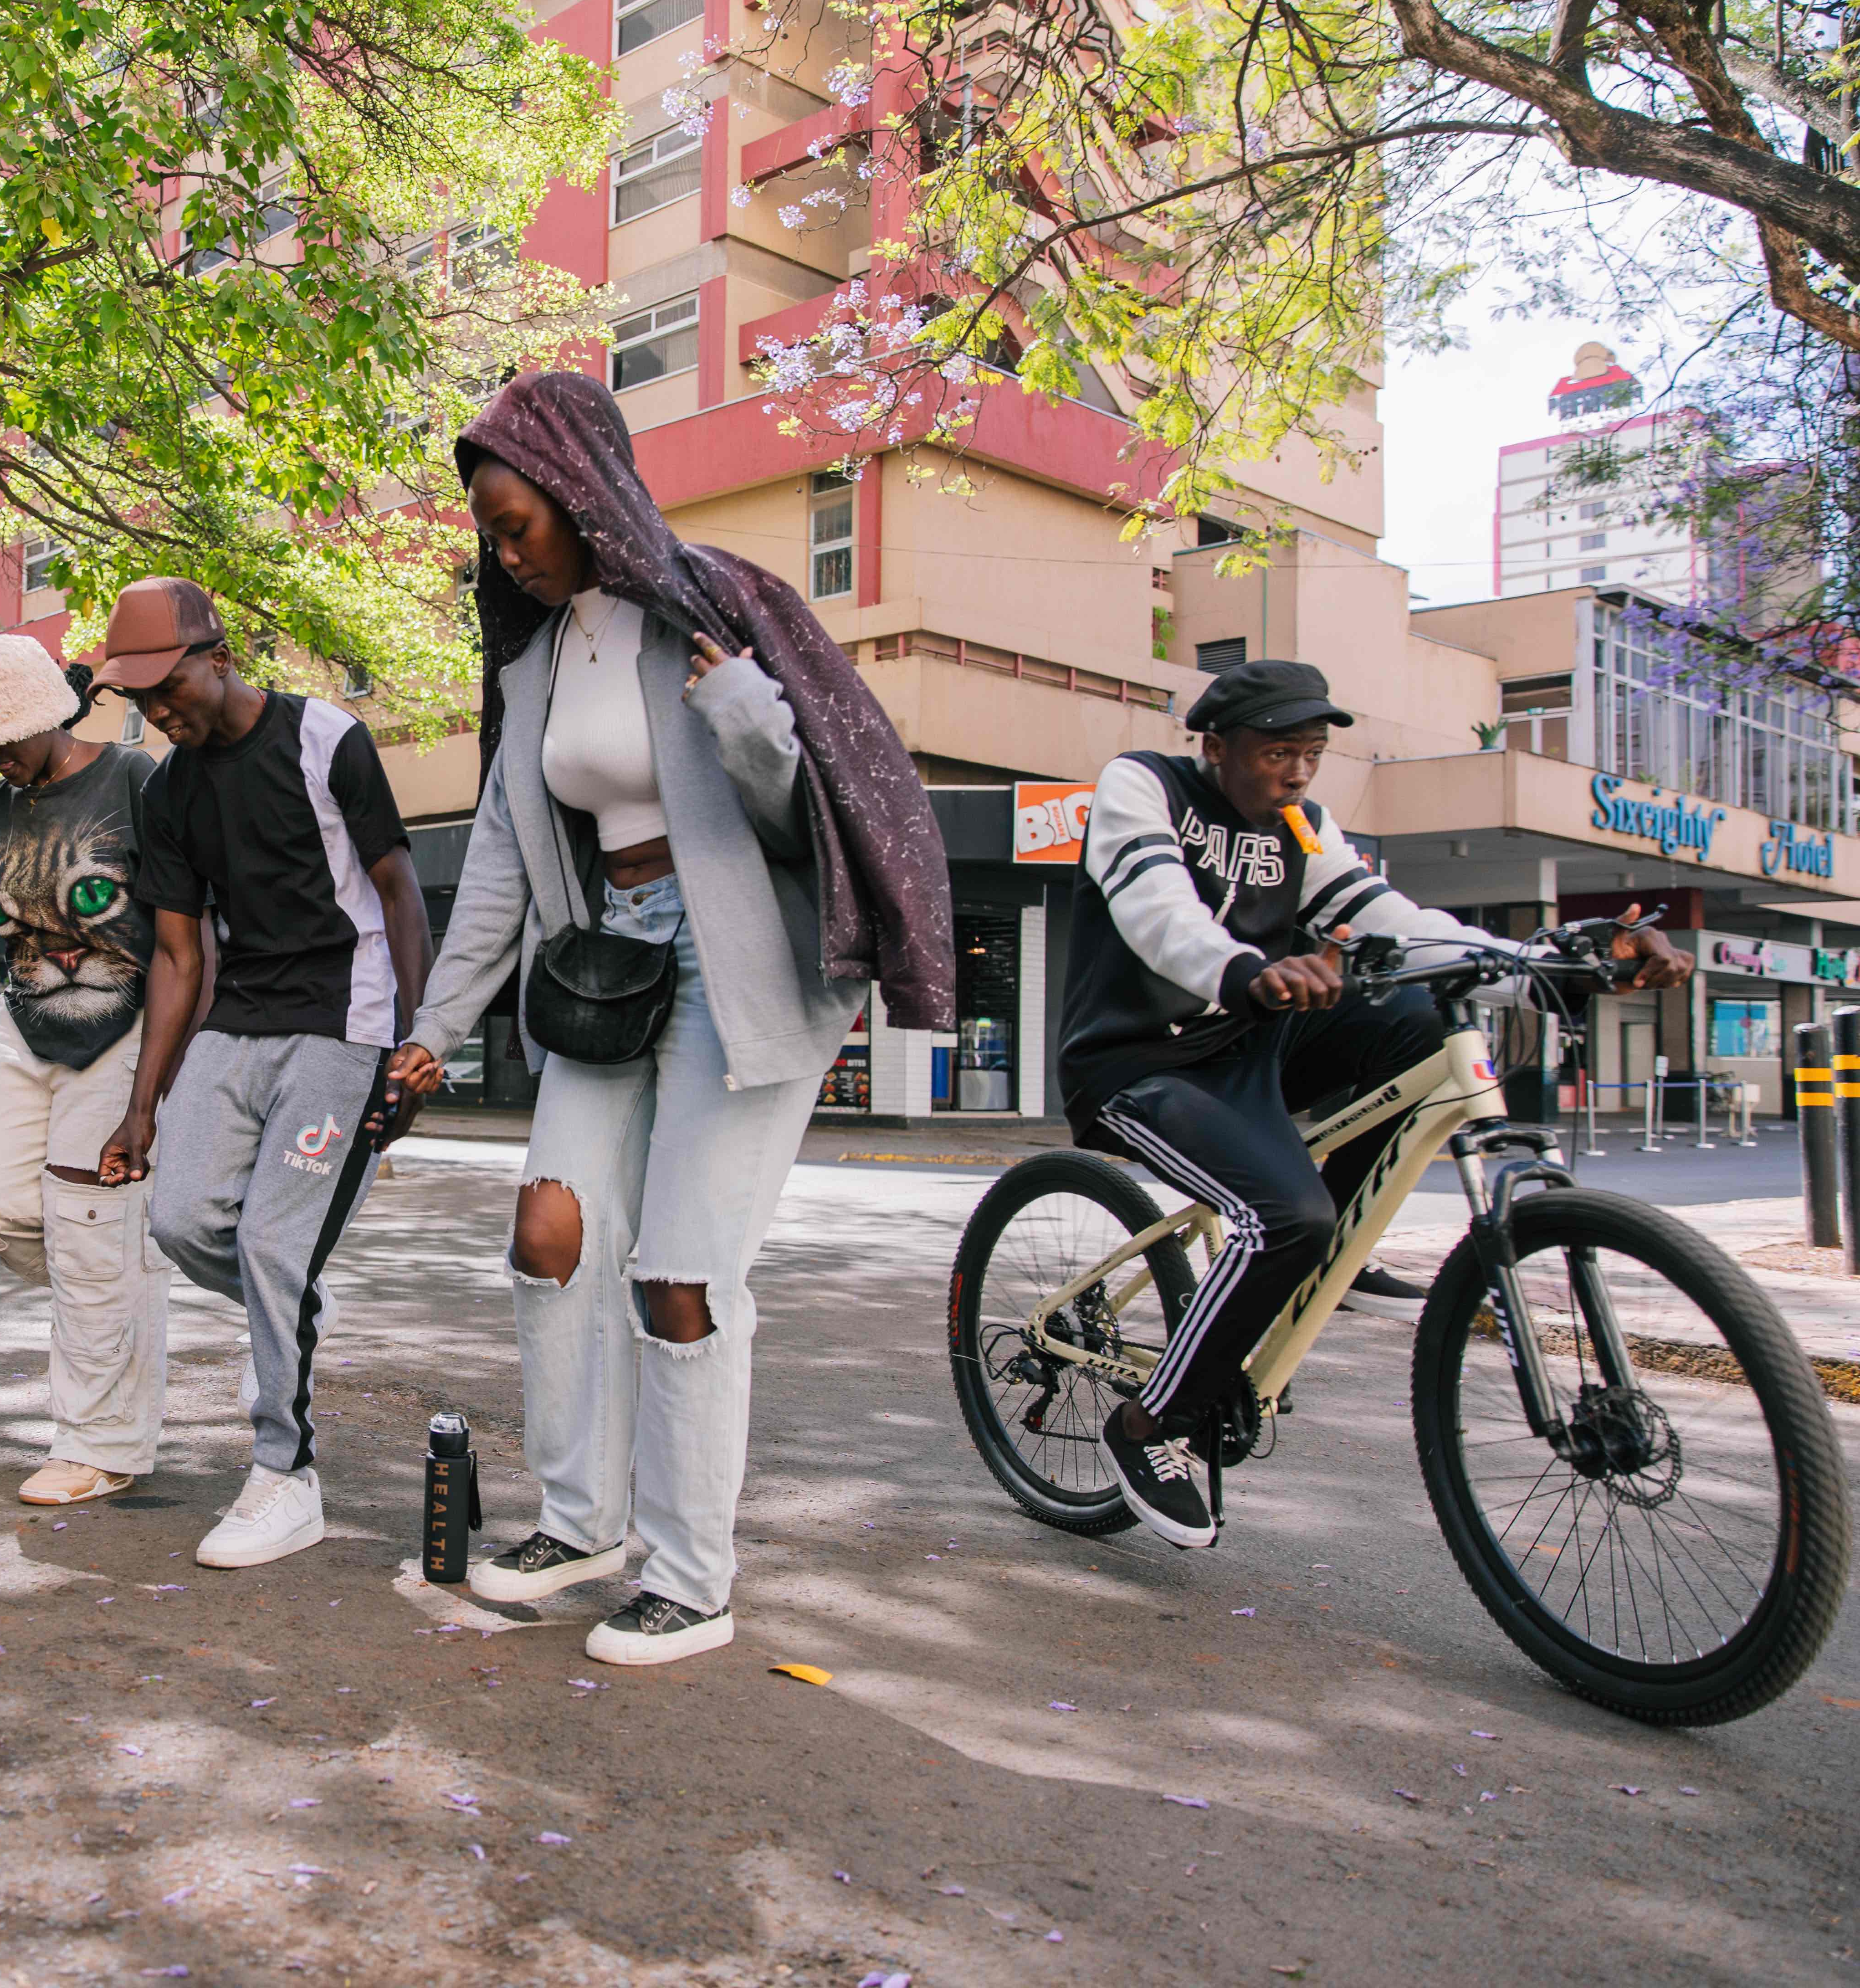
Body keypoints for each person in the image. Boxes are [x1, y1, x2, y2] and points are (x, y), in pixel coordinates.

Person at [385, 369, 953, 1666]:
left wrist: (749, 721)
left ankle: (694, 1580)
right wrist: (435, 1029)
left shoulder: (712, 604)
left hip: (741, 964)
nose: (507, 555)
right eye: (491, 537)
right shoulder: (535, 665)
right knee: (550, 1235)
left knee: (682, 1275)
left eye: (519, 525)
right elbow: (501, 863)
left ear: (580, 491)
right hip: (611, 968)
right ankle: (581, 1522)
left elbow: (813, 820)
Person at [1063, 658, 1691, 1547]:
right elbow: (1157, 909)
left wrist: (1561, 963)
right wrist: (1246, 970)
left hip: (1253, 1043)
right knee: (1288, 1216)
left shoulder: (1302, 826)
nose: (1298, 772)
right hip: (1136, 1061)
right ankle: (1147, 1425)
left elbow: (1391, 918)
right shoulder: (1145, 786)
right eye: (1279, 752)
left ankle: (1336, 1250)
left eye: (1312, 754)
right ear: (1217, 746)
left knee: (1419, 1024)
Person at [96, 575, 434, 1572]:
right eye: (140, 699)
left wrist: (419, 1041)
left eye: (169, 688)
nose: (159, 712)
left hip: (345, 1022)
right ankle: (289, 1304)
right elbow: (177, 955)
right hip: (239, 1022)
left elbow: (400, 891)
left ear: (220, 656)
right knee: (179, 1220)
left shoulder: (327, 738)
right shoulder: (168, 791)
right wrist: (141, 1108)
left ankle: (286, 1474)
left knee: (274, 1245)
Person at [0, 640, 173, 1507]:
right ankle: (122, 1284)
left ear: (52, 713)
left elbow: (187, 927)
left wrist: (167, 1074)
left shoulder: (133, 778)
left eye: (8, 738)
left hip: (123, 1022)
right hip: (24, 1024)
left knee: (92, 1235)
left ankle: (99, 1445)